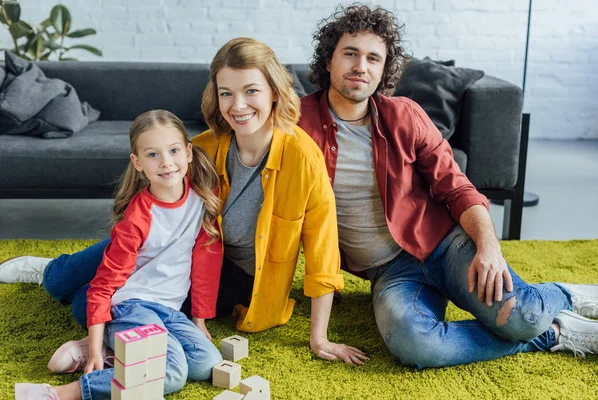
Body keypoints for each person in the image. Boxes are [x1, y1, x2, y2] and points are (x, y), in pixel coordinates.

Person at [0, 37, 367, 378]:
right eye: (227, 93)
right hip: (164, 246)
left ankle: (100, 342)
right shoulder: (204, 147)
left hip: (233, 278)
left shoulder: (304, 158)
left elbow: (322, 250)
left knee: (85, 306)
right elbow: (157, 199)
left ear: (274, 91)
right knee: (60, 280)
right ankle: (50, 268)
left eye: (251, 91)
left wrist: (319, 338)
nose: (237, 106)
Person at [294, 4, 598, 368]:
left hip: (445, 245)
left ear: (382, 71)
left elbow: (456, 187)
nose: (361, 66)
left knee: (521, 319)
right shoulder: (295, 123)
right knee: (415, 345)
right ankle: (556, 333)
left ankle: (562, 295)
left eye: (373, 58)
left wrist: (488, 247)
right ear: (328, 61)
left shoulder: (404, 115)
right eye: (350, 54)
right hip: (389, 273)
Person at [15, 110, 224, 399]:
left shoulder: (202, 200)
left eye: (174, 150)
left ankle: (119, 354)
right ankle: (62, 393)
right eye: (152, 155)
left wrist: (199, 321)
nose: (166, 162)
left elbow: (205, 263)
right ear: (138, 163)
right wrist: (95, 351)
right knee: (174, 373)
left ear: (188, 152)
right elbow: (104, 286)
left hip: (170, 310)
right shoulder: (138, 217)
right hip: (132, 304)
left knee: (206, 363)